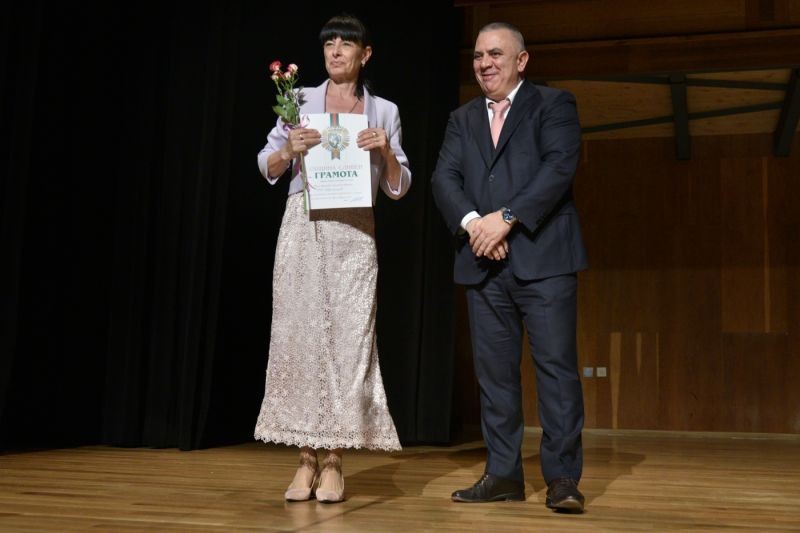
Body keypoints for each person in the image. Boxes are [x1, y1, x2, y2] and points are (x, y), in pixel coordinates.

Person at [254, 14, 411, 504]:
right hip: (305, 226)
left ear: (366, 54)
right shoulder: (299, 100)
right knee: (300, 338)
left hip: (355, 233)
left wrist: (387, 153)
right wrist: (289, 150)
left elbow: (399, 185)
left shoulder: (384, 110)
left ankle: (335, 460)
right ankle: (305, 459)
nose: (336, 51)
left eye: (346, 43)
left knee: (349, 343)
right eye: (329, 44)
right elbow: (266, 164)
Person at [431, 22, 588, 513]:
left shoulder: (553, 104)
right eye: (479, 55)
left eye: (496, 54)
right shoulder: (462, 118)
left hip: (544, 261)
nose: (485, 63)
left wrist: (506, 218)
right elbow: (444, 179)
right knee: (495, 376)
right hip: (483, 263)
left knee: (556, 372)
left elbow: (558, 167)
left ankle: (562, 479)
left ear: (522, 60)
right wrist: (476, 224)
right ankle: (502, 475)